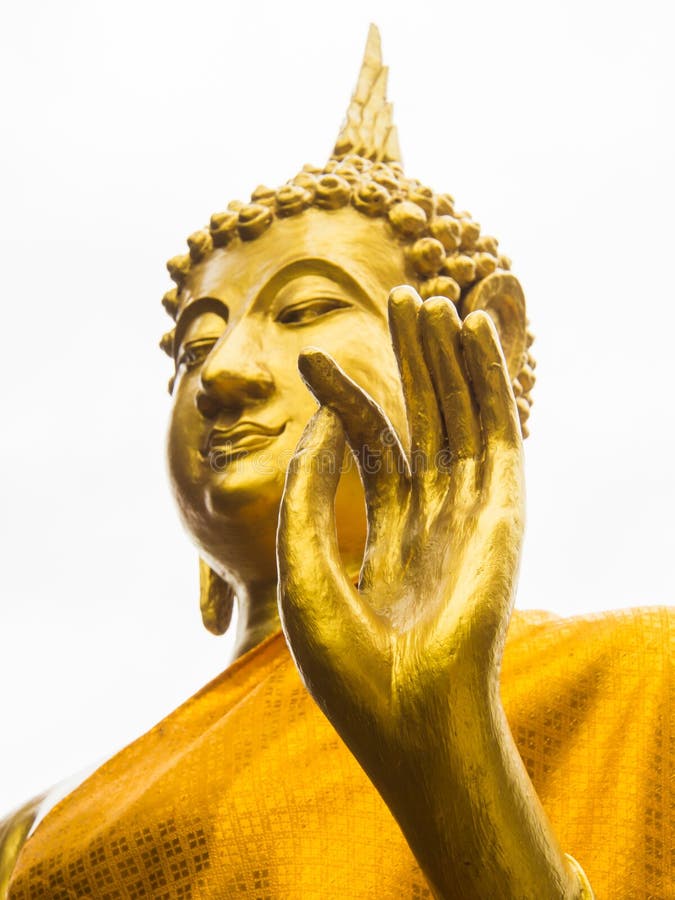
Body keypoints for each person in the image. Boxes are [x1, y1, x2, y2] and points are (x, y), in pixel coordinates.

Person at [0, 25, 671, 899]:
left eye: (306, 307)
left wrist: (456, 771)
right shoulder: (36, 839)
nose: (227, 373)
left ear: (483, 353)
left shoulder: (636, 684)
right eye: (195, 346)